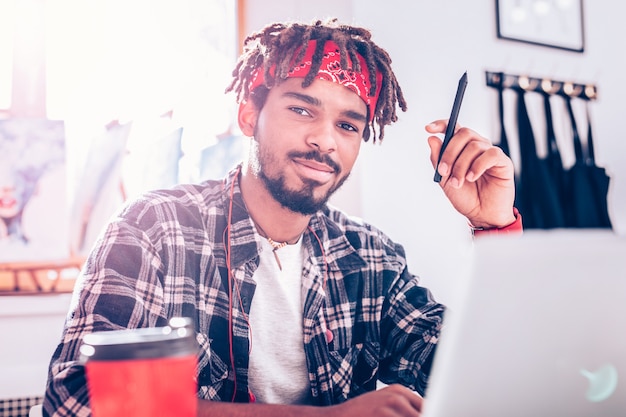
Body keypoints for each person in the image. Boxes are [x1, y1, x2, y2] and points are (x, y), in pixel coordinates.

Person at [43, 18, 521, 417]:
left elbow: (483, 377)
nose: (325, 140)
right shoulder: (154, 229)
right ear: (249, 115)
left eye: (347, 125)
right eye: (301, 109)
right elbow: (80, 401)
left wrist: (495, 230)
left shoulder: (371, 259)